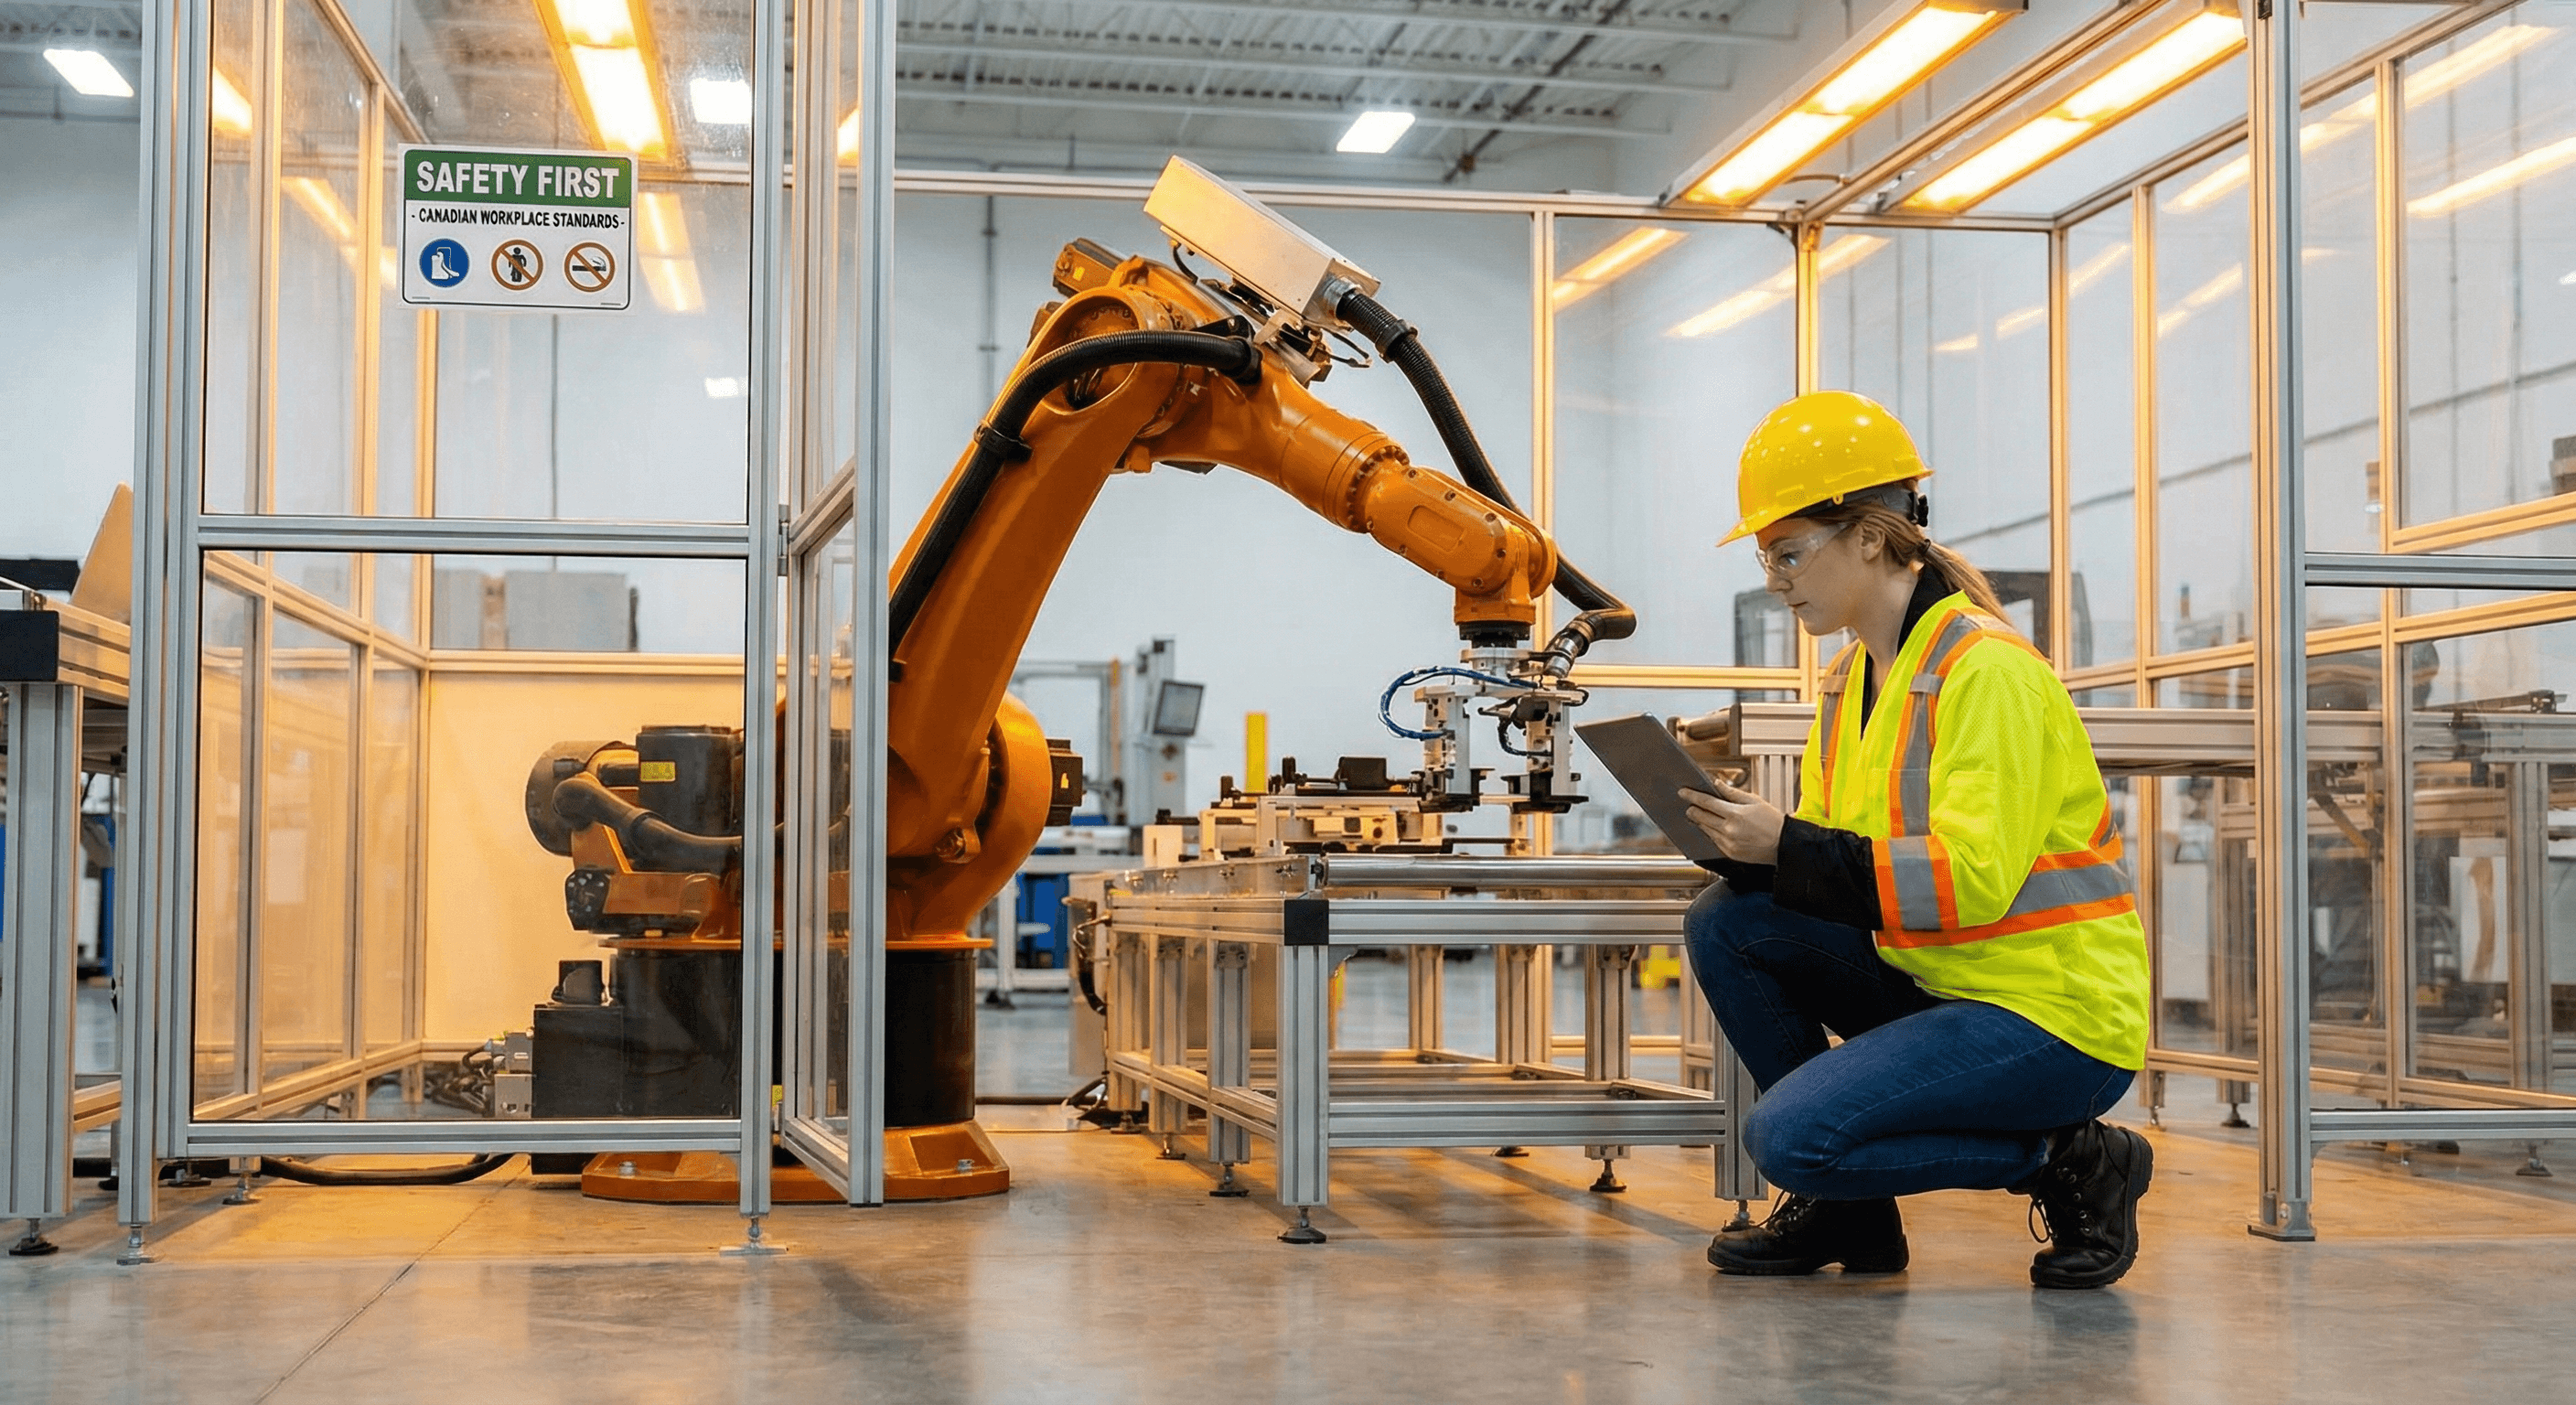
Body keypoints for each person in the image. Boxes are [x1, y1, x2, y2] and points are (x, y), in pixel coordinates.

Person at [1678, 391, 2153, 1292]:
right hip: (1940, 978)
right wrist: (1749, 849)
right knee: (1727, 918)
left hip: (2052, 1018)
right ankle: (1852, 1221)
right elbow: (1842, 872)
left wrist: (1787, 845)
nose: (1773, 577)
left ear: (1866, 534)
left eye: (1787, 551)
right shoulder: (1848, 680)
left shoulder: (1985, 672)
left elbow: (1966, 882)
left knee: (1789, 1136)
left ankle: (2072, 1159)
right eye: (1763, 556)